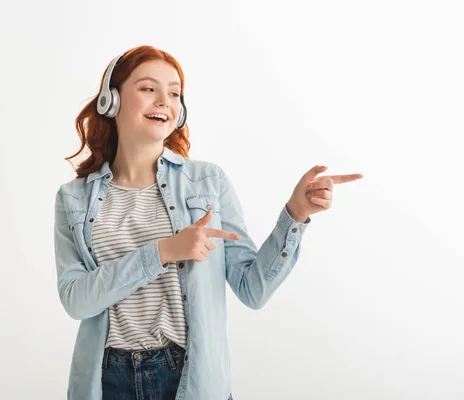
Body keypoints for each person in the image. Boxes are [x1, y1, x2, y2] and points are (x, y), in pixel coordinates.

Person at [54, 45, 363, 400]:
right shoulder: (73, 198)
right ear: (111, 100)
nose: (164, 101)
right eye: (148, 89)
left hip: (189, 378)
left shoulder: (208, 182)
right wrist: (164, 251)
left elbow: (253, 289)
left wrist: (295, 214)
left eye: (174, 93)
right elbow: (76, 301)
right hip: (106, 380)